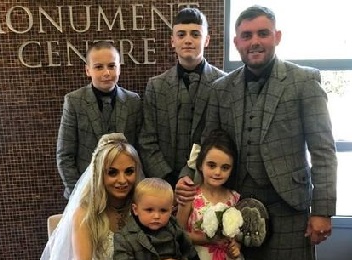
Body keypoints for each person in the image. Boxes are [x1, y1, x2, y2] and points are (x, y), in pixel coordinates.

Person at [176, 5, 337, 260]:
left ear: (277, 36)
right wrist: (188, 177)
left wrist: (322, 210)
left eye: (263, 33)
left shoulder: (304, 82)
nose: (255, 42)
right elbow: (206, 143)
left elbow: (323, 151)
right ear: (237, 42)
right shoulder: (221, 89)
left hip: (289, 210)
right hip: (233, 208)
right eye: (247, 35)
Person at [138, 7, 227, 188]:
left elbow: (222, 138)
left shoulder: (224, 83)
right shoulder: (156, 86)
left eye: (195, 34)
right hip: (164, 185)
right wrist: (168, 179)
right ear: (173, 41)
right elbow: (147, 140)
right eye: (181, 35)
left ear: (207, 40)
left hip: (209, 183)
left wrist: (193, 175)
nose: (188, 40)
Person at [57, 41, 142, 199]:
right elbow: (65, 155)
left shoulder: (133, 101)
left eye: (111, 66)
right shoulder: (74, 101)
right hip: (86, 191)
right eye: (98, 67)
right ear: (88, 70)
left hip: (126, 190)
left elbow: (139, 149)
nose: (106, 73)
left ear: (119, 67)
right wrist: (79, 193)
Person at [41, 133, 143, 260]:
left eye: (129, 171)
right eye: (112, 172)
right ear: (99, 175)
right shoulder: (84, 214)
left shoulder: (142, 206)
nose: (122, 180)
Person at [176, 129, 242, 260]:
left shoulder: (234, 198)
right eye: (211, 165)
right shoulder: (190, 195)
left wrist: (236, 247)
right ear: (200, 165)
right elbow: (179, 234)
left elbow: (237, 236)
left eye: (225, 167)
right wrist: (207, 239)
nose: (217, 172)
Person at [114, 177, 200, 260]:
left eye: (163, 210)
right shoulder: (124, 238)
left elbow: (191, 254)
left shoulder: (175, 228)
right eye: (149, 210)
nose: (156, 216)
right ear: (135, 209)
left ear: (171, 210)